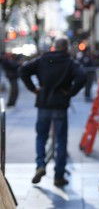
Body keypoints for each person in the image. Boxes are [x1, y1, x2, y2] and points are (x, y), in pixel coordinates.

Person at [19, 37, 86, 186]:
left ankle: (40, 165)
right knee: (61, 140)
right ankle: (58, 175)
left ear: (54, 47)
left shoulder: (43, 60)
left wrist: (34, 89)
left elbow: (23, 70)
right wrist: (69, 93)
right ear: (67, 48)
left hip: (44, 103)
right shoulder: (69, 62)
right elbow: (82, 77)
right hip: (60, 104)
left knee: (41, 137)